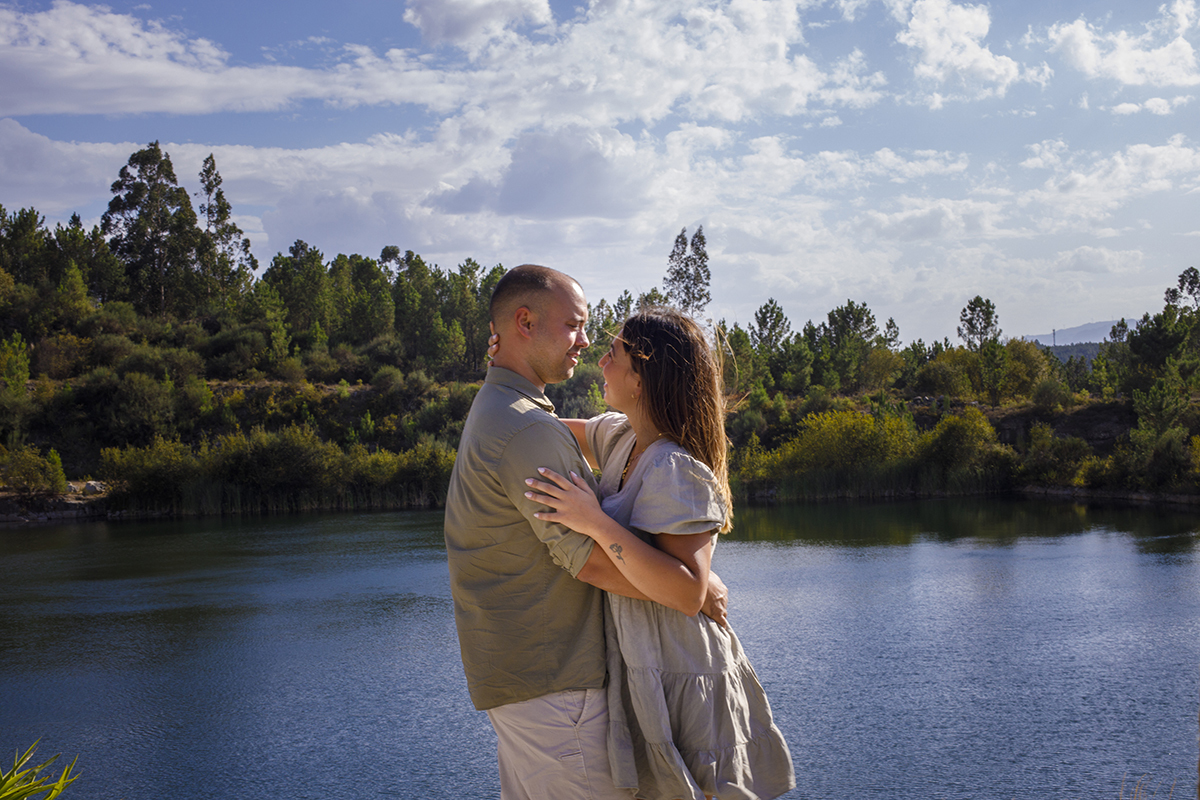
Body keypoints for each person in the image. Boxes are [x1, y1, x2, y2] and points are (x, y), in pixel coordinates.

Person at [444, 265, 728, 800]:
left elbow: (563, 432)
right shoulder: (528, 427)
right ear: (525, 322)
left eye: (605, 344)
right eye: (576, 325)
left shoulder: (507, 413)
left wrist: (693, 578)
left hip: (528, 678)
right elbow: (591, 561)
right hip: (557, 685)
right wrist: (688, 588)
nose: (588, 345)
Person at [521, 308, 796, 800]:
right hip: (648, 666)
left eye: (614, 354)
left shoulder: (675, 467)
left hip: (685, 671)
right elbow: (539, 429)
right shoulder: (622, 438)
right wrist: (503, 372)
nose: (600, 363)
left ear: (642, 376)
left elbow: (688, 592)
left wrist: (594, 522)